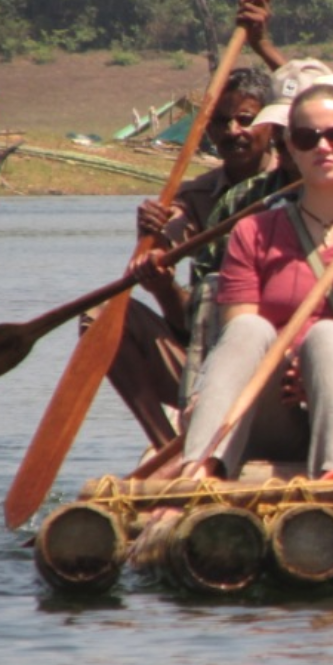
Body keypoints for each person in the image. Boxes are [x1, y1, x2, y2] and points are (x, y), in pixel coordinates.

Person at [179, 81, 333, 479]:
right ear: (291, 149)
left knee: (328, 338)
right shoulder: (252, 232)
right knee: (247, 327)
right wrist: (295, 370)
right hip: (281, 409)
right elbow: (241, 341)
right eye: (307, 137)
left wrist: (318, 364)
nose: (324, 147)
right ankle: (197, 471)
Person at [87, 67, 277, 449]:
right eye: (220, 123)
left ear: (270, 124)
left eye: (245, 120)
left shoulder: (294, 183)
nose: (232, 132)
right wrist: (152, 249)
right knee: (99, 318)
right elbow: (172, 264)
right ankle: (165, 447)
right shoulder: (194, 197)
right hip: (204, 352)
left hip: (275, 359)